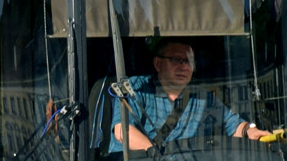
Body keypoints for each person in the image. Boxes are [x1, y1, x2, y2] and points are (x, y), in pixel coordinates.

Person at [110, 39, 272, 151]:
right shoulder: (136, 87)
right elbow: (123, 132)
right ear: (158, 63)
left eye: (188, 61)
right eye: (176, 60)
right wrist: (158, 157)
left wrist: (250, 131)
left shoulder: (203, 98)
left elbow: (233, 125)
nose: (184, 67)